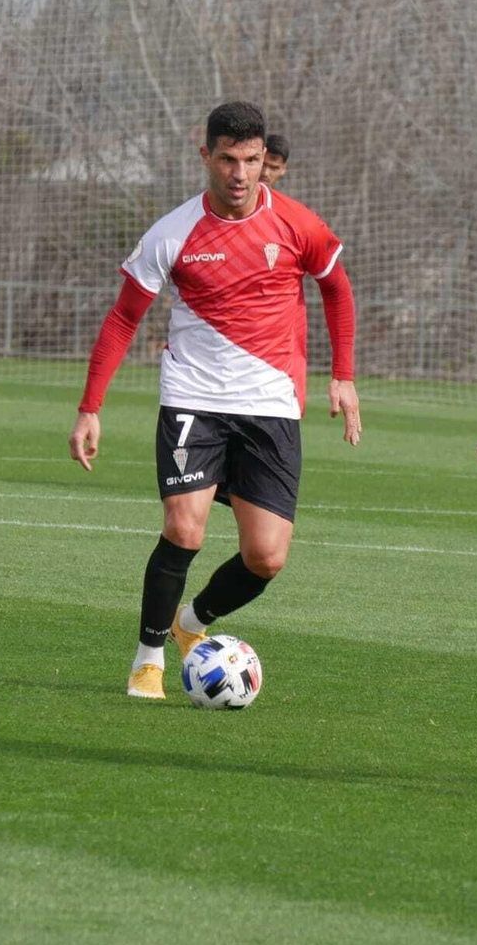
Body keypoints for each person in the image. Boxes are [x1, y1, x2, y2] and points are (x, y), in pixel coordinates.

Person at [68, 101, 361, 699]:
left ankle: (191, 624)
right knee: (185, 528)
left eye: (251, 161)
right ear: (206, 156)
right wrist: (90, 406)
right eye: (227, 159)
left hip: (271, 405)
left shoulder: (299, 225)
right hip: (192, 398)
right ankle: (147, 659)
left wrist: (344, 374)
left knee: (267, 557)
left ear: (264, 163)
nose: (239, 173)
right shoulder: (172, 233)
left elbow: (337, 288)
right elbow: (123, 319)